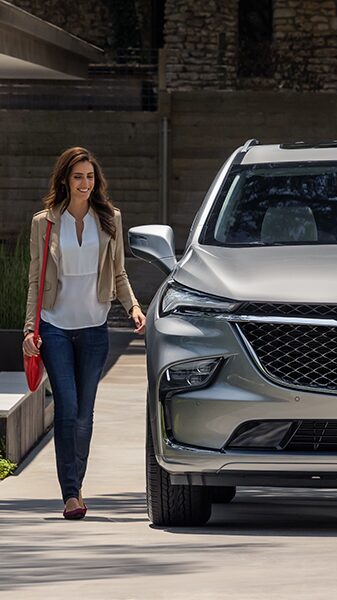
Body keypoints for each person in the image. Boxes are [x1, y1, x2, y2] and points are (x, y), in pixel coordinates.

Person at [22, 147, 146, 520]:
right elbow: (35, 279)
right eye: (78, 177)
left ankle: (77, 483)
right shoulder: (44, 223)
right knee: (68, 407)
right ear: (65, 180)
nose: (85, 183)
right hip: (55, 326)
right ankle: (71, 494)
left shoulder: (109, 220)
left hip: (94, 328)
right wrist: (30, 329)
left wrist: (134, 307)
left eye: (90, 177)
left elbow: (119, 273)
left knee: (85, 414)